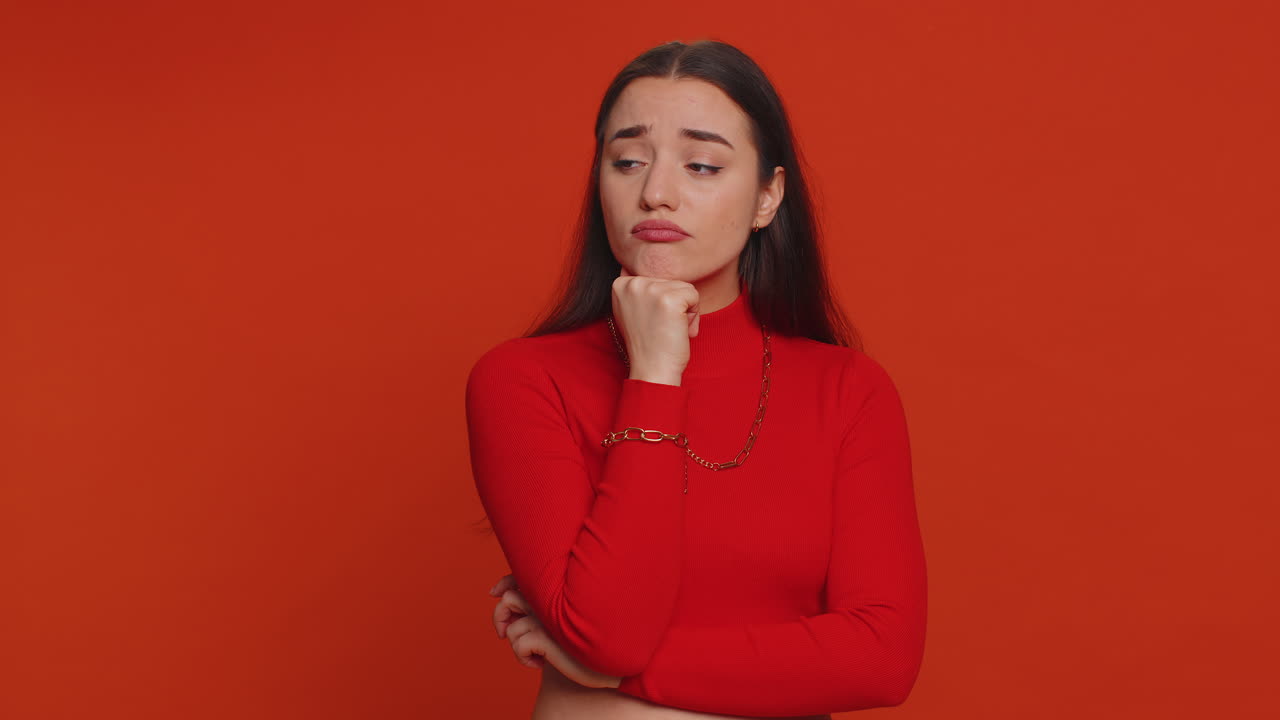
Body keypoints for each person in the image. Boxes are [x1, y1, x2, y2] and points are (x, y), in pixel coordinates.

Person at [465, 39, 927, 719]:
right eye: (626, 161)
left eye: (702, 164)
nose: (656, 191)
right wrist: (656, 371)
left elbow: (883, 659)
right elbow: (611, 629)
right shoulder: (523, 380)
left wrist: (602, 670)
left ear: (768, 197)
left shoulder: (849, 390)